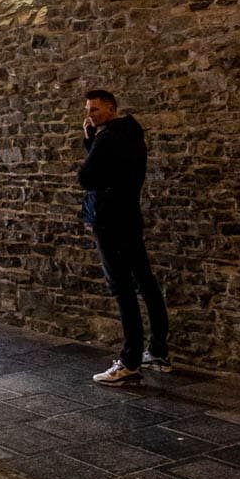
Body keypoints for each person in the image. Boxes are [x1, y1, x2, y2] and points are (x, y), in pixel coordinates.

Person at [78, 88, 170, 386]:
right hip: (129, 216)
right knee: (145, 281)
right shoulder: (133, 134)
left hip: (108, 220)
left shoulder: (107, 137)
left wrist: (91, 141)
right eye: (88, 111)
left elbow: (86, 177)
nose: (90, 116)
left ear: (112, 109)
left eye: (95, 110)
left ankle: (129, 362)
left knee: (122, 288)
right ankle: (158, 350)